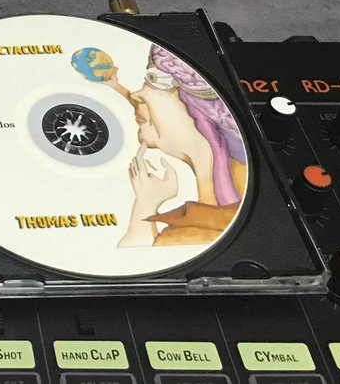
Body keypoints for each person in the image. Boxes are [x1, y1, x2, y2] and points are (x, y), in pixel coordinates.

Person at [70, 45, 248, 246]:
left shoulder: (195, 234)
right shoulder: (240, 179)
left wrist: (146, 204)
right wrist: (115, 85)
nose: (136, 96)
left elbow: (133, 256)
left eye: (153, 80)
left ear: (197, 109)